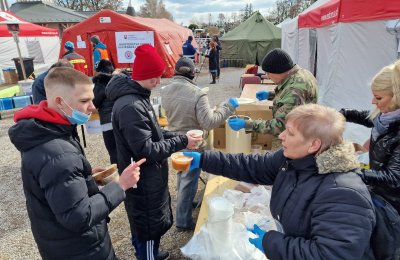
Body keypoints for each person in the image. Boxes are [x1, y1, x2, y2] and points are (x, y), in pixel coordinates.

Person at [184, 104, 376, 259]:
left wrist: (271, 242)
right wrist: (204, 160)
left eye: (290, 133)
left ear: (314, 144)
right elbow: (252, 165)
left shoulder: (343, 193)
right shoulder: (293, 160)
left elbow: (330, 254)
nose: (281, 136)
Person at [8, 67, 145, 260]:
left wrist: (86, 178)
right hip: (80, 249)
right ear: (59, 102)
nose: (93, 107)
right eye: (84, 101)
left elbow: (59, 187)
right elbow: (79, 217)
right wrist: (120, 185)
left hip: (61, 243)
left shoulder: (47, 130)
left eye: (91, 99)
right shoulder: (58, 152)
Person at [105, 44, 201, 260]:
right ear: (140, 75)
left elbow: (154, 133)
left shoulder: (139, 96)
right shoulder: (131, 106)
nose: (158, 82)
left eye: (159, 76)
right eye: (153, 78)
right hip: (142, 178)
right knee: (147, 226)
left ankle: (150, 252)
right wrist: (182, 141)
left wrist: (181, 139)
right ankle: (148, 255)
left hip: (148, 176)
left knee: (148, 224)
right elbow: (146, 150)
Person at [161, 57, 238, 231]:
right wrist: (227, 107)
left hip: (173, 139)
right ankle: (183, 220)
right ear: (193, 72)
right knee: (189, 180)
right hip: (192, 142)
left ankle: (185, 202)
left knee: (182, 174)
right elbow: (209, 123)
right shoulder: (197, 93)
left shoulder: (165, 90)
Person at [340, 60, 400, 213]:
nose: (373, 102)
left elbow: (393, 178)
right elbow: (369, 118)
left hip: (392, 205)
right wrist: (343, 113)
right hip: (379, 192)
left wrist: (351, 171)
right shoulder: (387, 117)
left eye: (378, 98)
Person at [228, 48, 318, 136]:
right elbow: (290, 96)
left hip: (301, 137)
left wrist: (246, 124)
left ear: (278, 71)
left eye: (268, 73)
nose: (267, 77)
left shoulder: (295, 89)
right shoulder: (302, 73)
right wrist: (270, 95)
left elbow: (280, 126)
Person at [92, 59, 117, 164]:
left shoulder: (99, 83)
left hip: (107, 122)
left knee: (113, 151)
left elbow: (94, 103)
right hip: (122, 119)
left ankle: (118, 174)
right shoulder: (118, 81)